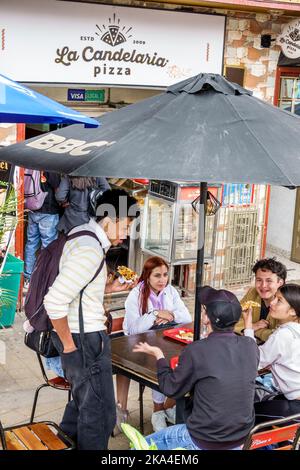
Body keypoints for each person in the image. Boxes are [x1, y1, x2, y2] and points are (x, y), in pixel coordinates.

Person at [44, 189, 139, 450]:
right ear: (110, 218)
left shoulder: (80, 235)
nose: (127, 233)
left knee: (81, 406)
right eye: (127, 225)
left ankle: (64, 446)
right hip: (83, 341)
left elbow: (79, 289)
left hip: (81, 337)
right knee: (99, 416)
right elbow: (54, 301)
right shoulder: (90, 250)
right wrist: (70, 347)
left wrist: (107, 289)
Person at [133, 286, 259, 450]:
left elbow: (171, 388)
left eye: (205, 310)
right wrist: (248, 325)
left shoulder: (197, 350)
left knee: (137, 447)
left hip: (203, 439)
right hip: (241, 438)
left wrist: (159, 356)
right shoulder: (250, 346)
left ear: (206, 318)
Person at [116, 256, 192, 433]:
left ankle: (165, 407)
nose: (162, 280)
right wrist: (155, 313)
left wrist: (170, 315)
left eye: (165, 275)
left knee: (182, 362)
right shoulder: (135, 294)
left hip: (163, 340)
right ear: (147, 276)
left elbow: (186, 317)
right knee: (160, 362)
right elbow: (134, 328)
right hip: (137, 346)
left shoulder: (170, 291)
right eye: (157, 275)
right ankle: (159, 411)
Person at [243, 283, 300, 424]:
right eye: (275, 297)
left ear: (293, 311)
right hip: (291, 398)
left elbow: (252, 361)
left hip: (295, 407)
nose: (272, 303)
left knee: (244, 414)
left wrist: (248, 327)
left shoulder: (283, 335)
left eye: (279, 300)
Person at [235, 258, 287, 342]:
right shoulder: (253, 293)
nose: (263, 286)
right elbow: (233, 318)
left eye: (269, 281)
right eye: (259, 280)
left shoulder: (288, 302)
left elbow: (279, 337)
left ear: (280, 283)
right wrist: (253, 326)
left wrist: (249, 329)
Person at [24, 172, 61, 282]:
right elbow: (57, 186)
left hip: (32, 208)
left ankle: (28, 277)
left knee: (31, 243)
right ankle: (44, 277)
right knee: (48, 246)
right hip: (48, 211)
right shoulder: (50, 166)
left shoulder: (31, 165)